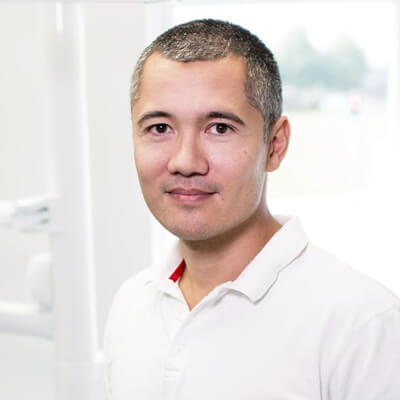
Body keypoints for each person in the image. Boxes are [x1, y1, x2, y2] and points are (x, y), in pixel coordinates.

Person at [103, 19, 400, 400]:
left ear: (275, 145)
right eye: (160, 128)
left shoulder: (363, 327)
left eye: (219, 128)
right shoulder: (130, 305)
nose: (185, 161)